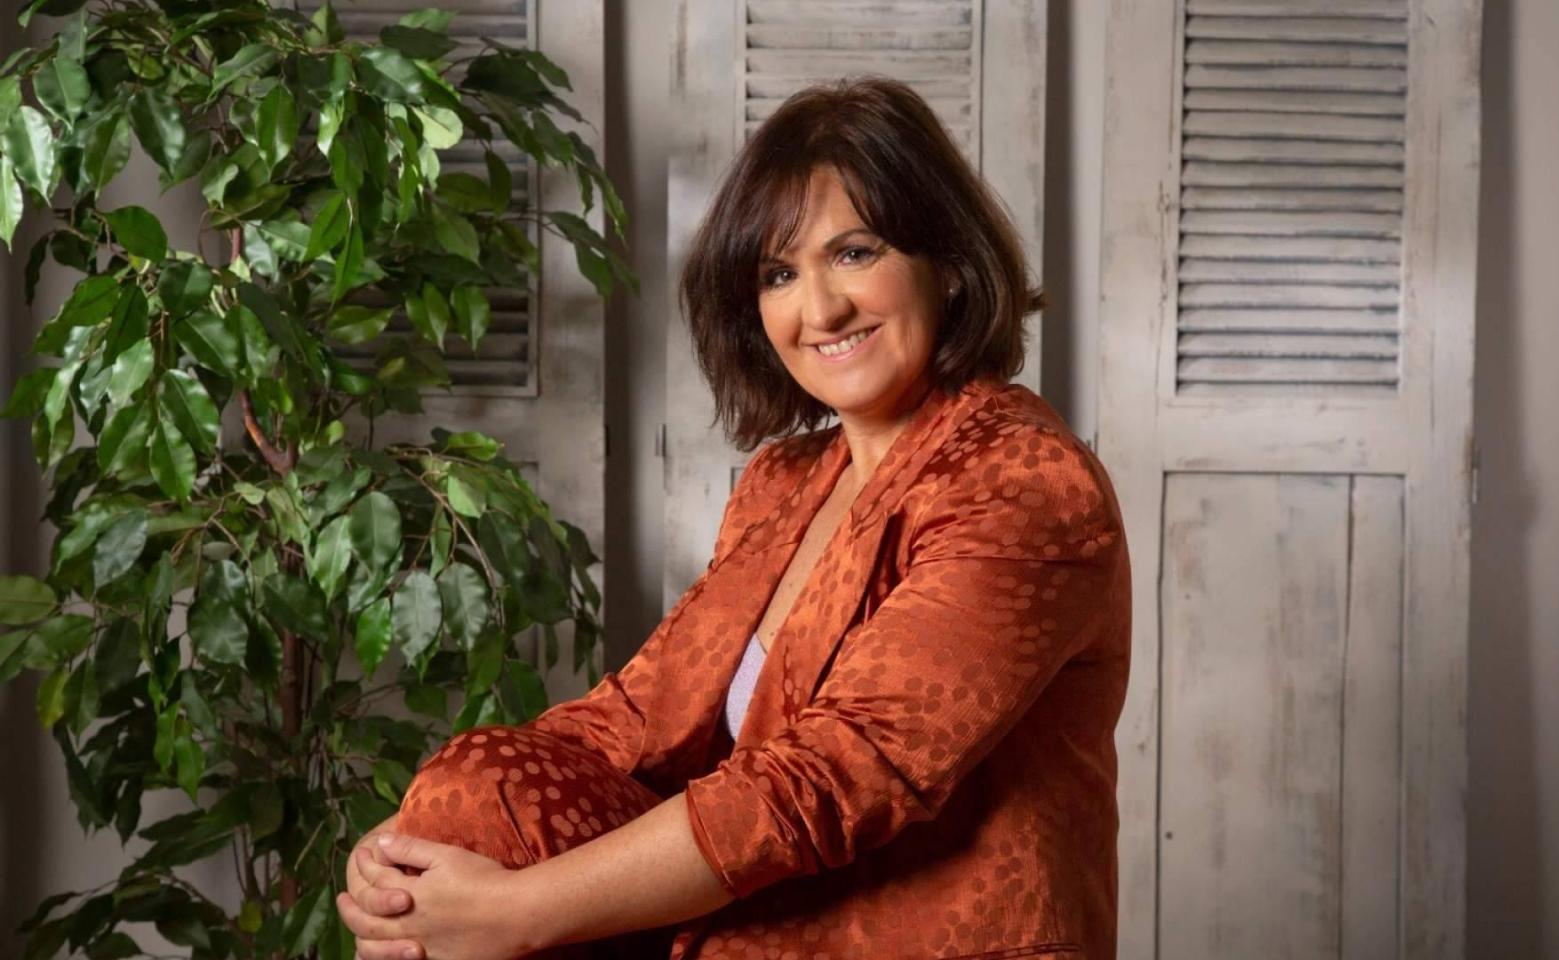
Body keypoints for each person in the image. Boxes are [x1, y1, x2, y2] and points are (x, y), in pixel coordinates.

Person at [335, 76, 1132, 960]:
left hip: (923, 941)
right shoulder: (784, 482)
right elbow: (631, 718)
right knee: (474, 787)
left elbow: (839, 773)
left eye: (855, 253)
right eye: (779, 274)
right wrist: (406, 843)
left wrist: (516, 913)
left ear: (944, 260)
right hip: (757, 927)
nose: (819, 309)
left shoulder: (1022, 481)